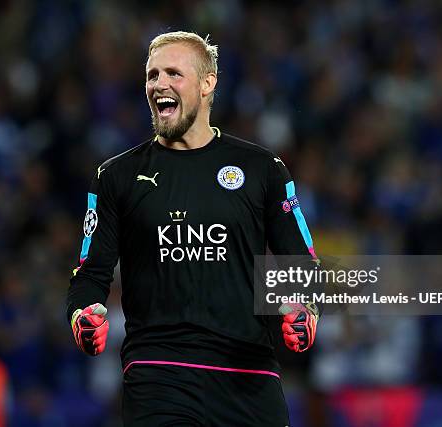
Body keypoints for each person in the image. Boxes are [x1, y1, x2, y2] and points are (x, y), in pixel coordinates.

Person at [66, 31, 320, 426]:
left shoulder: (263, 169)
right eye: (152, 76)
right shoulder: (116, 176)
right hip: (158, 373)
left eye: (173, 73)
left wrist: (305, 308)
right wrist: (83, 313)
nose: (159, 85)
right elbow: (90, 273)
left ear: (207, 83)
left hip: (248, 377)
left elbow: (302, 264)